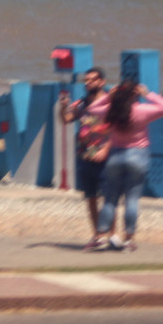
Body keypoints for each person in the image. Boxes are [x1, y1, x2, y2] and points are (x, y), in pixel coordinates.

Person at [85, 81, 163, 252]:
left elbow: (91, 108)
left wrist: (108, 97)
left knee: (110, 200)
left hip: (115, 156)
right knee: (131, 200)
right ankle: (129, 240)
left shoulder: (111, 111)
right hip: (138, 156)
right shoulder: (142, 111)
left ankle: (101, 237)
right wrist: (147, 94)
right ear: (135, 94)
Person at [60, 67, 113, 250]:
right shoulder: (81, 103)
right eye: (86, 80)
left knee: (109, 199)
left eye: (92, 80)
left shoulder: (109, 102)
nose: (88, 83)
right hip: (85, 156)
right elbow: (66, 119)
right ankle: (98, 235)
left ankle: (112, 236)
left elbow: (118, 129)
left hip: (106, 157)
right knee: (90, 197)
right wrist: (63, 106)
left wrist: (106, 150)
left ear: (102, 82)